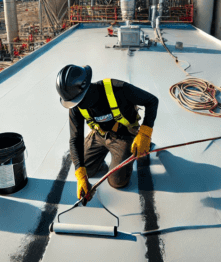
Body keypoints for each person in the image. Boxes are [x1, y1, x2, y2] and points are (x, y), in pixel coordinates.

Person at [56, 65, 159, 205]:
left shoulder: (118, 89)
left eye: (77, 101)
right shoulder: (75, 106)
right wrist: (81, 175)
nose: (76, 106)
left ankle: (130, 150)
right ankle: (102, 160)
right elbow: (75, 138)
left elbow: (152, 101)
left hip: (124, 135)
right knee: (85, 168)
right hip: (99, 135)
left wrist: (145, 133)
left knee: (118, 182)